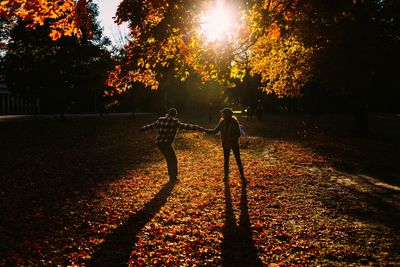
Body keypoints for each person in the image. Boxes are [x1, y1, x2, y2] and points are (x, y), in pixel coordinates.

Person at [139, 108, 205, 181]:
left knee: (170, 159)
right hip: (166, 144)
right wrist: (200, 128)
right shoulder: (174, 122)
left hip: (159, 143)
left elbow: (151, 126)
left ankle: (172, 177)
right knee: (173, 160)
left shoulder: (160, 120)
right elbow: (187, 126)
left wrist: (142, 129)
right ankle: (173, 178)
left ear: (168, 113)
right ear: (175, 115)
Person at [205, 108, 245, 180]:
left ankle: (242, 176)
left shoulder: (234, 122)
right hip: (225, 144)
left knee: (238, 159)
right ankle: (226, 176)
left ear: (227, 115)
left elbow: (238, 134)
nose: (222, 115)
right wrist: (205, 130)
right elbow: (214, 131)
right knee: (226, 160)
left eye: (223, 114)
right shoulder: (222, 122)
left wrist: (231, 139)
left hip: (234, 144)